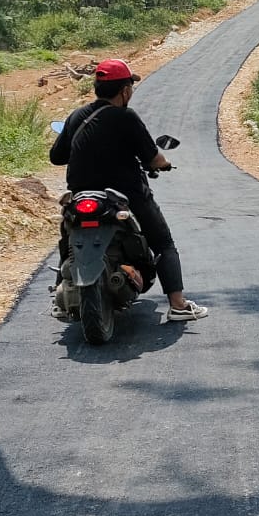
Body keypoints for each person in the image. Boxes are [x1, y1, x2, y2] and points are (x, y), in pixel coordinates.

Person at [49, 59, 209, 322]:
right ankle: (178, 305)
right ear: (124, 91)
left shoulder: (77, 116)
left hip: (81, 196)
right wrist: (164, 164)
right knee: (163, 244)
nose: (131, 92)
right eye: (130, 87)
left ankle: (59, 297)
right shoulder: (126, 117)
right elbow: (153, 158)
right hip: (124, 197)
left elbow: (56, 157)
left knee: (69, 240)